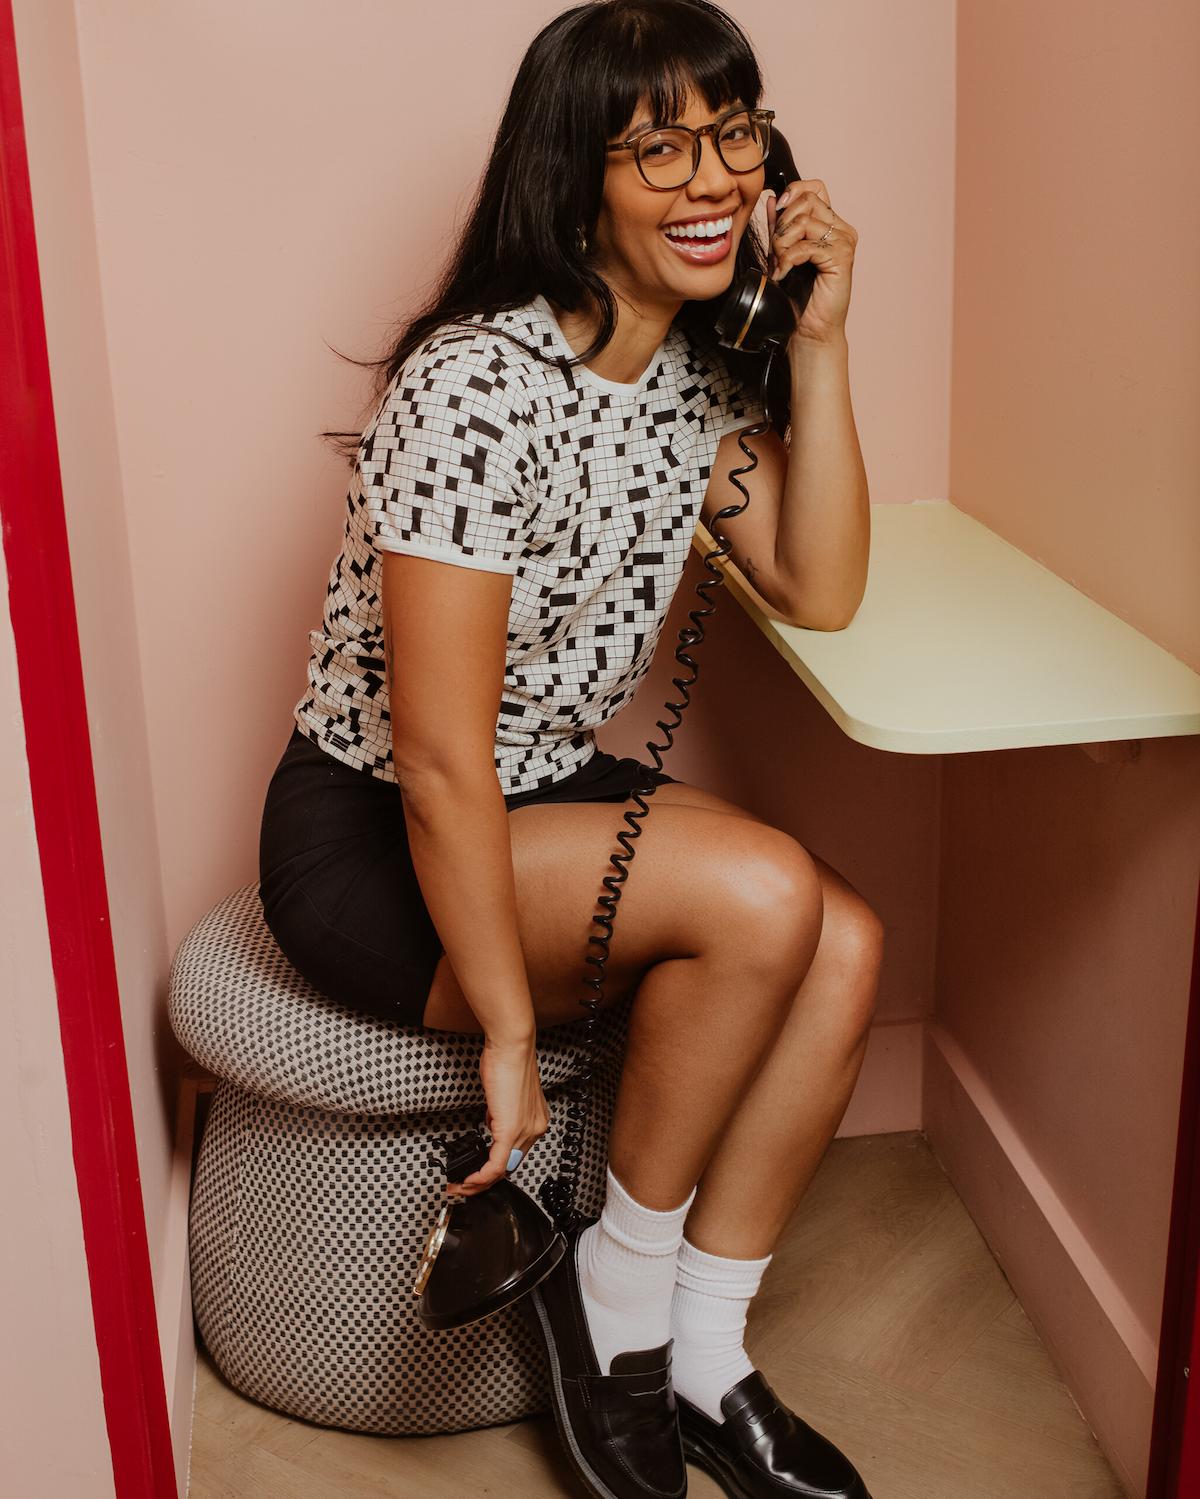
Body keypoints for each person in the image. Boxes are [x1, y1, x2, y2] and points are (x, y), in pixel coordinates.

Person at [258, 2, 878, 1495]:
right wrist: (512, 1041)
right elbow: (440, 756)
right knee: (767, 896)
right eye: (658, 146)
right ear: (577, 179)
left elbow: (827, 587)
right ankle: (615, 1310)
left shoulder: (687, 382)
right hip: (379, 830)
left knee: (844, 945)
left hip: (546, 794)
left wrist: (827, 345)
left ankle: (709, 1353)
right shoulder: (478, 385)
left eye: (735, 133)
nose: (714, 176)